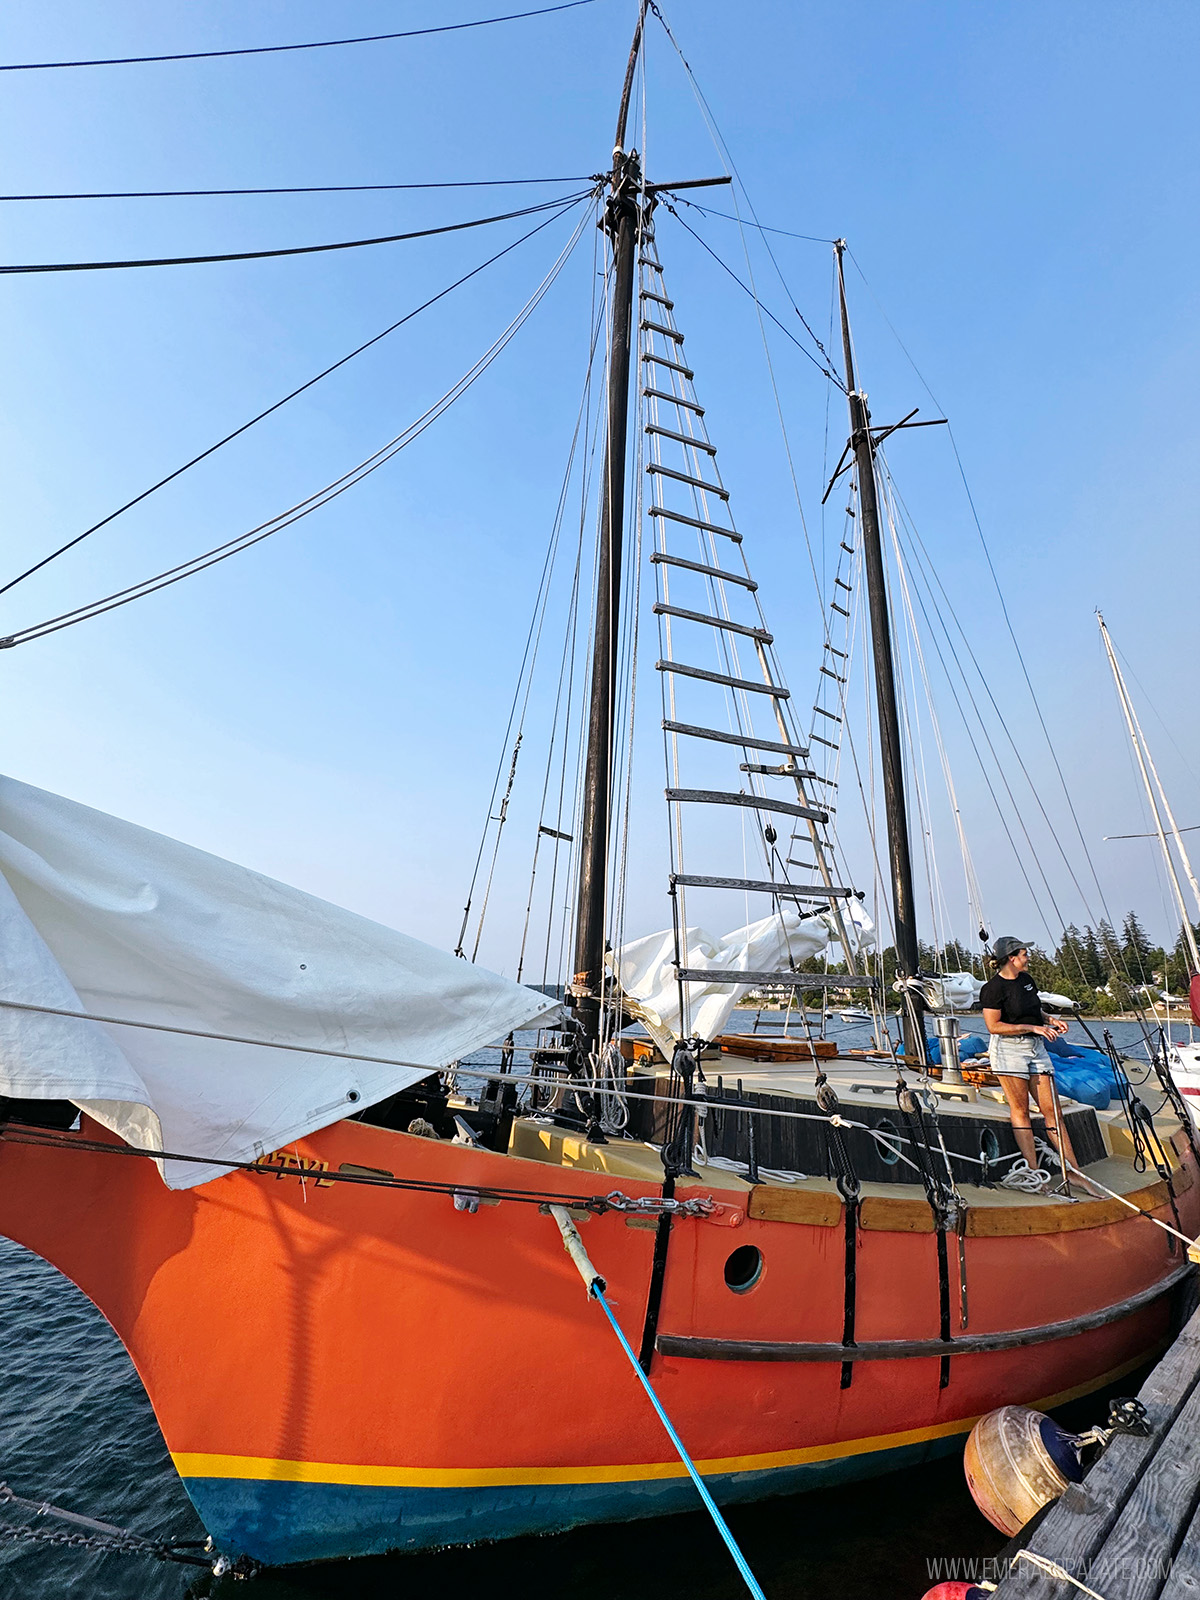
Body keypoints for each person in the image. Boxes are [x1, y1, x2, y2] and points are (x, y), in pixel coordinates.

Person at [980, 936, 1082, 1192]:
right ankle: (1034, 1174)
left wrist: (1049, 1021)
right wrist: (1032, 1027)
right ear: (1012, 958)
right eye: (1025, 954)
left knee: (1053, 1112)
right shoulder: (993, 989)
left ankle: (1075, 1173)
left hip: (1036, 1048)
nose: (1028, 958)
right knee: (1021, 1110)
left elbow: (1034, 1009)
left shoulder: (1027, 981)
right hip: (1009, 1051)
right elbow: (993, 1026)